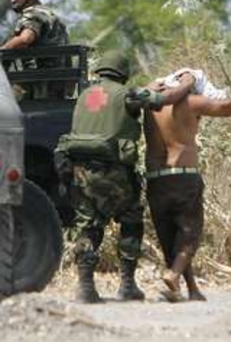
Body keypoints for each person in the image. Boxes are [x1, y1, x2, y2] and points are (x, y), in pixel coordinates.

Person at [59, 50, 195, 303]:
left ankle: (85, 287)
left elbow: (111, 103)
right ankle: (127, 285)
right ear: (123, 74)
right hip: (115, 173)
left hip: (81, 173)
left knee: (87, 226)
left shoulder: (85, 94)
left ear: (100, 71)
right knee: (132, 220)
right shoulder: (129, 94)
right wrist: (188, 83)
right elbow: (167, 99)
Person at [144, 69, 231, 302]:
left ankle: (189, 289)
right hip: (183, 177)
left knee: (170, 237)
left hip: (155, 179)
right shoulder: (192, 102)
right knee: (190, 235)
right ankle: (173, 274)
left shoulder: (149, 107)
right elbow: (226, 107)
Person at [0, 0, 68, 98]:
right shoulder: (50, 14)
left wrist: (3, 50)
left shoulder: (33, 14)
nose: (13, 0)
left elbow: (26, 38)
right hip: (56, 86)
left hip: (38, 86)